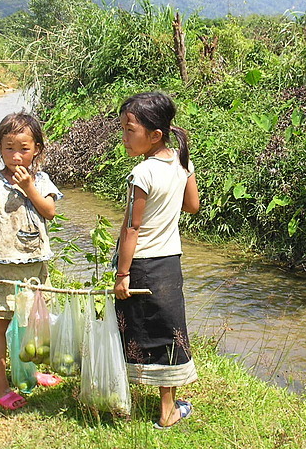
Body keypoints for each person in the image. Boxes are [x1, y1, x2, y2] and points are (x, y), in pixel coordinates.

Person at [113, 91, 200, 429]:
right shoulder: (182, 162)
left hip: (139, 264)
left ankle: (124, 397)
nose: (124, 138)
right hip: (169, 263)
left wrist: (122, 273)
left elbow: (133, 228)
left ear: (154, 135)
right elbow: (192, 206)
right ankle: (168, 408)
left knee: (133, 328)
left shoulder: (143, 173)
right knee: (169, 331)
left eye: (129, 130)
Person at [0, 111, 63, 411]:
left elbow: (49, 212)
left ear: (36, 149)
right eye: (9, 147)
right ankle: (0, 386)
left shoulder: (41, 180)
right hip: (5, 266)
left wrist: (29, 187)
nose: (16, 155)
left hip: (36, 265)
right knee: (3, 323)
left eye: (24, 149)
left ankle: (34, 371)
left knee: (36, 322)